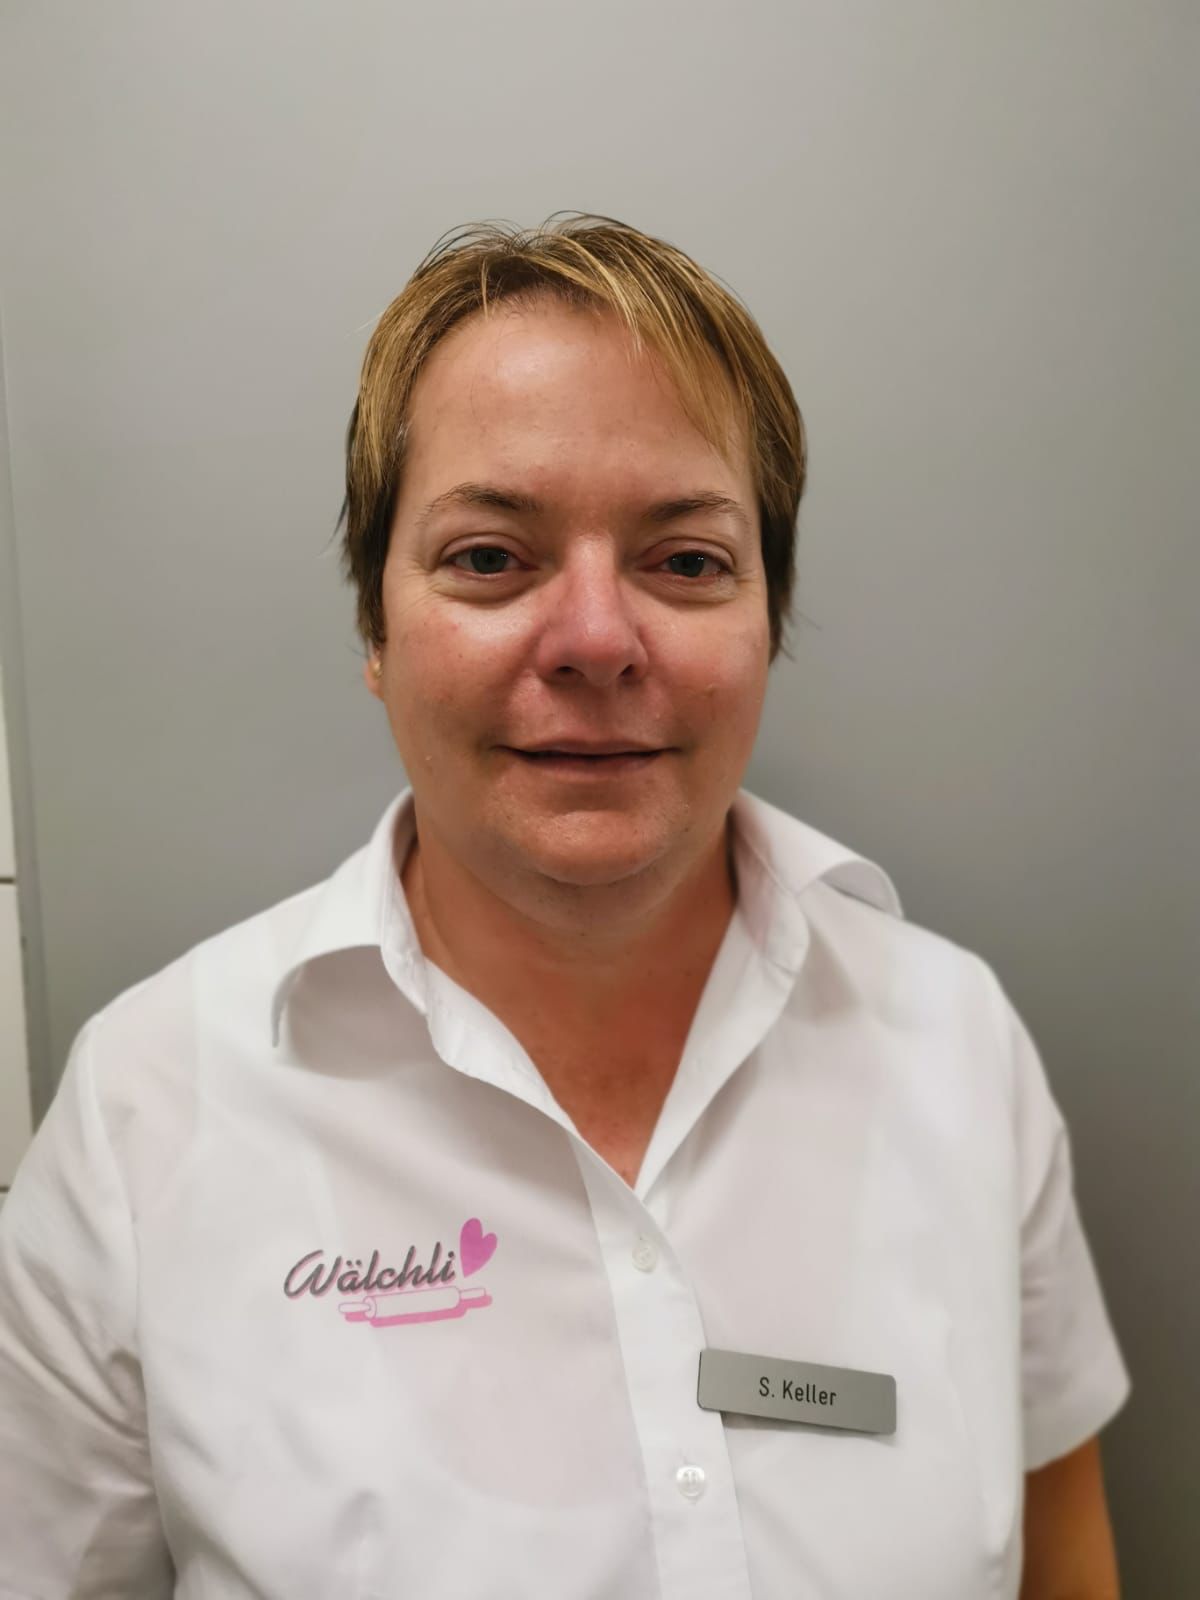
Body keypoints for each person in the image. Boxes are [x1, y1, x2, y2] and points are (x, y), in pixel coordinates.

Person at [0, 212, 1130, 1599]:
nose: (597, 641)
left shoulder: (956, 1043)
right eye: (490, 557)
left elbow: (1063, 1558)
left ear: (767, 623)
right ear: (373, 628)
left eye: (686, 560)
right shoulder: (145, 1115)